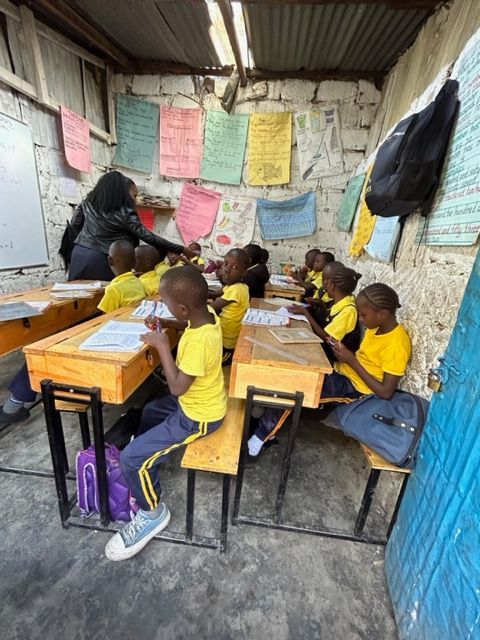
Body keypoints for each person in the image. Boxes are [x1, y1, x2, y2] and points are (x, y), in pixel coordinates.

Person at [105, 267, 227, 561]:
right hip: (197, 401)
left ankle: (152, 513)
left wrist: (162, 345)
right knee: (150, 410)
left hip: (199, 416)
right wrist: (164, 326)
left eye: (167, 304)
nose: (164, 307)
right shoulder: (206, 315)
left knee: (130, 458)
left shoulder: (199, 341)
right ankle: (148, 457)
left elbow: (176, 388)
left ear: (184, 308)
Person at [248, 283, 412, 457]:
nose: (361, 320)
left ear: (383, 314)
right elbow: (367, 360)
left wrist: (351, 359)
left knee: (295, 388)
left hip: (355, 389)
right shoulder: (377, 328)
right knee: (295, 369)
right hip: (342, 371)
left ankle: (260, 438)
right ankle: (265, 414)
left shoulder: (397, 343)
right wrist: (344, 355)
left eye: (363, 315)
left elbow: (385, 392)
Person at [68, 171, 192, 282]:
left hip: (79, 254)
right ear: (121, 192)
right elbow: (149, 237)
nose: (135, 200)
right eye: (134, 196)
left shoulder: (87, 203)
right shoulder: (125, 212)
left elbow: (74, 226)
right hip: (104, 259)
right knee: (107, 300)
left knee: (76, 300)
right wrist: (180, 249)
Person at [289, 266, 362, 362]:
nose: (325, 284)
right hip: (325, 351)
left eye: (328, 280)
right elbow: (330, 321)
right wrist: (321, 306)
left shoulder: (349, 311)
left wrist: (306, 313)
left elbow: (327, 337)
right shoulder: (343, 301)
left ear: (332, 286)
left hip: (330, 358)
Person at [209, 249, 249, 366]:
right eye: (226, 263)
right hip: (223, 335)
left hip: (227, 344)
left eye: (235, 267)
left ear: (244, 272)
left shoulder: (236, 290)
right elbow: (213, 294)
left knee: (209, 364)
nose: (226, 269)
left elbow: (211, 308)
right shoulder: (235, 286)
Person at [96, 241, 146, 313]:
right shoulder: (138, 281)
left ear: (110, 261)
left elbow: (105, 316)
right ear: (135, 262)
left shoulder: (113, 289)